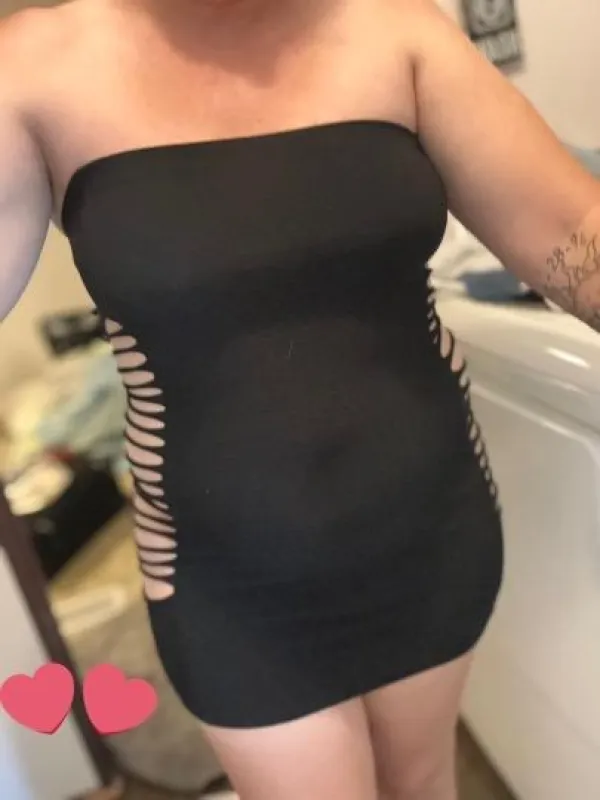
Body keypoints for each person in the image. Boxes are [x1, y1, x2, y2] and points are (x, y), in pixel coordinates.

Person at [1, 1, 599, 798]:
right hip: (230, 590)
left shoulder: (399, 30)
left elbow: (574, 231)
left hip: (431, 538)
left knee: (424, 781)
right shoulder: (34, 66)